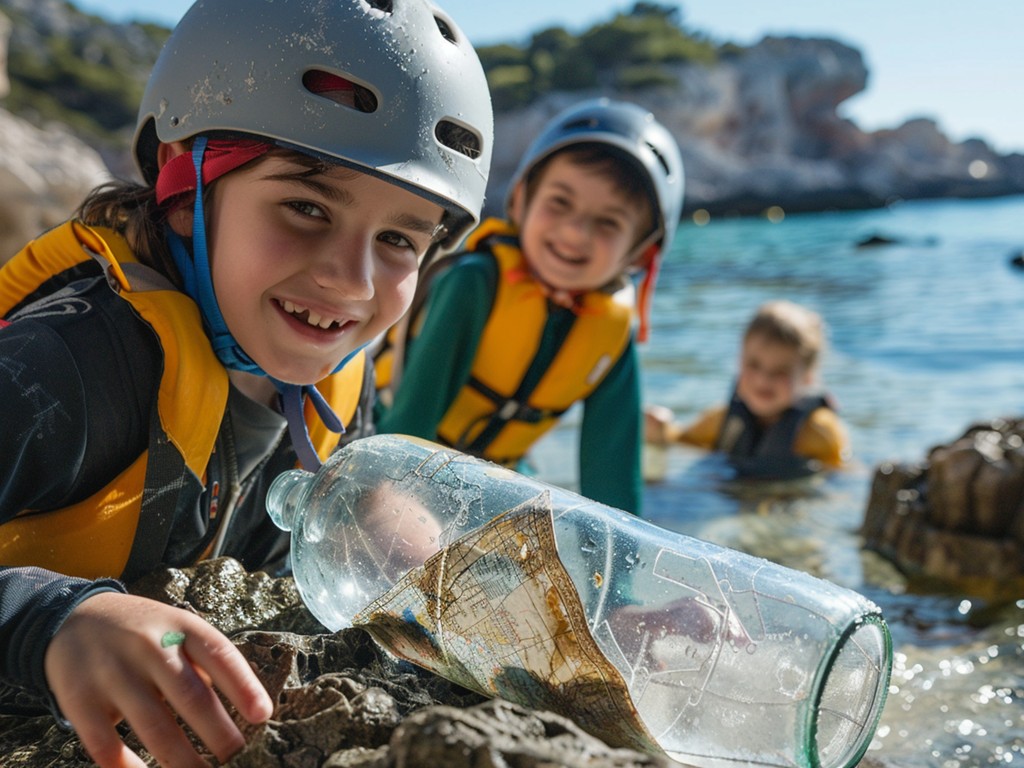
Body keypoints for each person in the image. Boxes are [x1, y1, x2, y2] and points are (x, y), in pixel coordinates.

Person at [0, 0, 493, 765]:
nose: (352, 280)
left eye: (399, 238)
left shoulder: (334, 385)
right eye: (305, 205)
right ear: (183, 187)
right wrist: (49, 622)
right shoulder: (65, 367)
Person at [374, 98, 685, 515]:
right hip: (388, 450)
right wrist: (392, 517)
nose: (575, 232)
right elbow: (408, 427)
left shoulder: (612, 334)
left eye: (609, 222)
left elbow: (613, 484)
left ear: (639, 253)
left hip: (489, 481)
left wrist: (616, 575)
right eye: (560, 202)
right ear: (521, 201)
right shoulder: (474, 285)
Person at [644, 300, 850, 480]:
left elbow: (842, 474)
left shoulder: (820, 431)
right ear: (739, 361)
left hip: (787, 505)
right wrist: (659, 429)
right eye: (754, 364)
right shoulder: (722, 420)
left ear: (807, 377)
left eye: (781, 371)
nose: (763, 379)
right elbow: (682, 439)